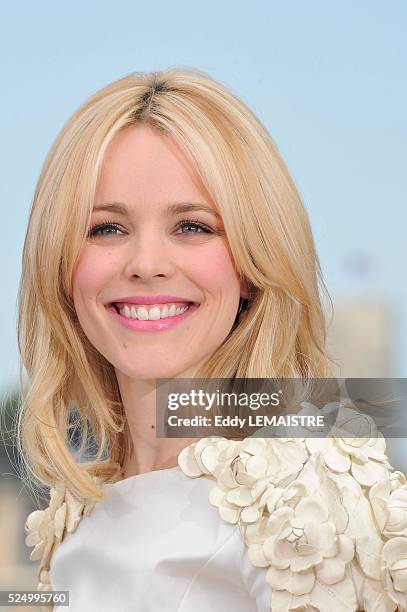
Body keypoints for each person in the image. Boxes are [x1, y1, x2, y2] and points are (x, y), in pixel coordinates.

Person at [19, 68, 407, 612]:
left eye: (193, 227)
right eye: (106, 228)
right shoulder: (73, 523)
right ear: (59, 263)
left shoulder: (317, 508)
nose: (146, 264)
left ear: (252, 264)